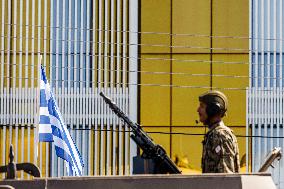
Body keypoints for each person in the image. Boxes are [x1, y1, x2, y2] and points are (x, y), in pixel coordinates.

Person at [197, 90, 240, 173]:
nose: (198, 110)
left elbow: (225, 178)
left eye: (202, 106)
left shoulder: (220, 135)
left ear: (212, 110)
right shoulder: (214, 134)